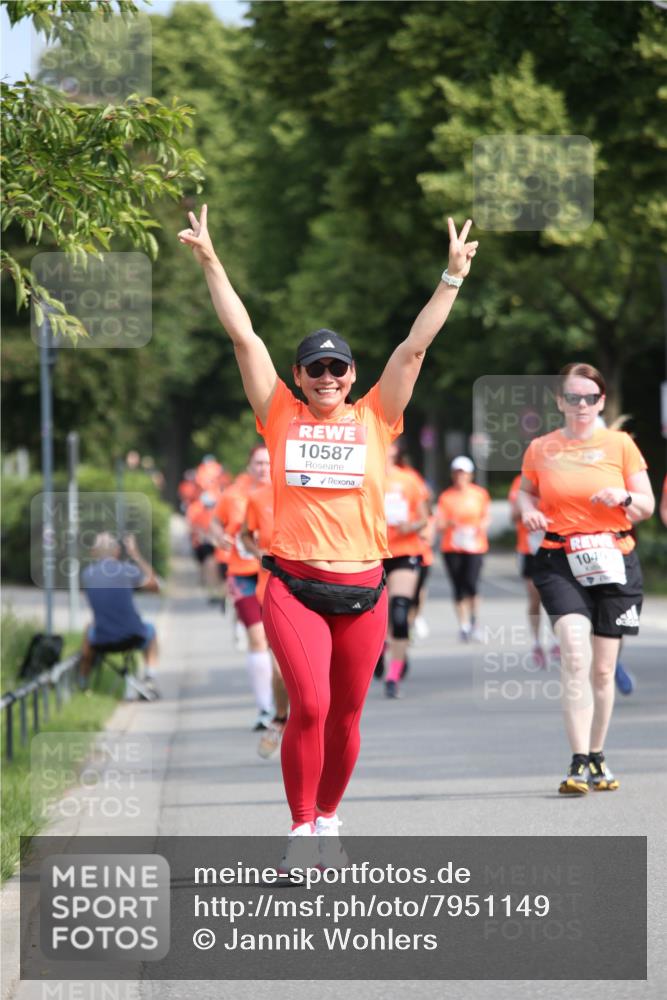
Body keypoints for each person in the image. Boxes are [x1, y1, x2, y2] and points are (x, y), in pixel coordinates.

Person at [178, 203, 478, 868]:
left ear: (350, 375)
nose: (327, 379)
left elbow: (414, 347)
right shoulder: (278, 413)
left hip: (365, 585)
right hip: (293, 581)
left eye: (337, 369)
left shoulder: (377, 416)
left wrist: (450, 279)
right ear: (298, 376)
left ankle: (331, 818)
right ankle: (300, 830)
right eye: (314, 369)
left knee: (346, 716)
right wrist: (209, 260)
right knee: (308, 705)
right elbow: (244, 340)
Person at [518, 363, 655, 794]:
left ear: (601, 401)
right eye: (572, 398)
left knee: (602, 670)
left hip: (615, 559)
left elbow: (647, 504)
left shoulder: (620, 446)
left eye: (589, 398)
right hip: (561, 560)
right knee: (575, 655)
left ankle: (598, 755)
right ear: (560, 401)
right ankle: (577, 762)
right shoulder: (542, 448)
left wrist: (625, 496)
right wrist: (528, 511)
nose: (581, 405)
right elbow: (526, 491)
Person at [212, 445, 275, 730]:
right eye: (258, 463)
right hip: (242, 574)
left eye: (267, 463)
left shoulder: (284, 492)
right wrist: (219, 538)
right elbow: (215, 522)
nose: (262, 468)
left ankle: (283, 701)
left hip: (275, 575)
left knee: (278, 642)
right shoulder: (234, 494)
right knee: (257, 637)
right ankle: (265, 708)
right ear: (249, 466)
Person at [240, 484, 290, 758]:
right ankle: (280, 717)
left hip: (314, 590)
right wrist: (258, 553)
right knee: (281, 671)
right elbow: (245, 535)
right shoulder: (258, 498)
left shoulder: (314, 490)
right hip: (272, 590)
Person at [380, 440, 430, 698]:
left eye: (389, 444)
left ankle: (393, 675)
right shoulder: (363, 476)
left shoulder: (408, 480)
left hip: (404, 550)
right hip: (372, 552)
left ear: (396, 449)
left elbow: (424, 516)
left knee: (399, 612)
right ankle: (379, 652)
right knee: (375, 616)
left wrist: (411, 526)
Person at [79, 532, 160, 692]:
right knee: (151, 631)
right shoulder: (128, 570)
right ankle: (150, 676)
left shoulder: (87, 574)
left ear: (94, 552)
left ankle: (83, 681)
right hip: (133, 635)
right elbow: (155, 586)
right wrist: (135, 555)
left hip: (101, 639)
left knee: (88, 629)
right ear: (117, 551)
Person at [437, 456, 491, 641]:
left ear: (470, 475)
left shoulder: (480, 494)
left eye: (464, 473)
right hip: (452, 547)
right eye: (457, 473)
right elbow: (439, 523)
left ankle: (474, 621)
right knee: (458, 587)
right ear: (453, 475)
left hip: (475, 546)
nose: (461, 476)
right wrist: (449, 523)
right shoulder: (446, 496)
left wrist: (482, 526)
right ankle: (464, 625)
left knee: (472, 584)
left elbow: (486, 516)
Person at [508, 473, 559, 668]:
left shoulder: (556, 477)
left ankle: (556, 642)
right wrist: (528, 507)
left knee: (555, 596)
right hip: (528, 548)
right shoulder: (519, 482)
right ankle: (537, 643)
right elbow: (513, 517)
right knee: (535, 598)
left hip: (553, 546)